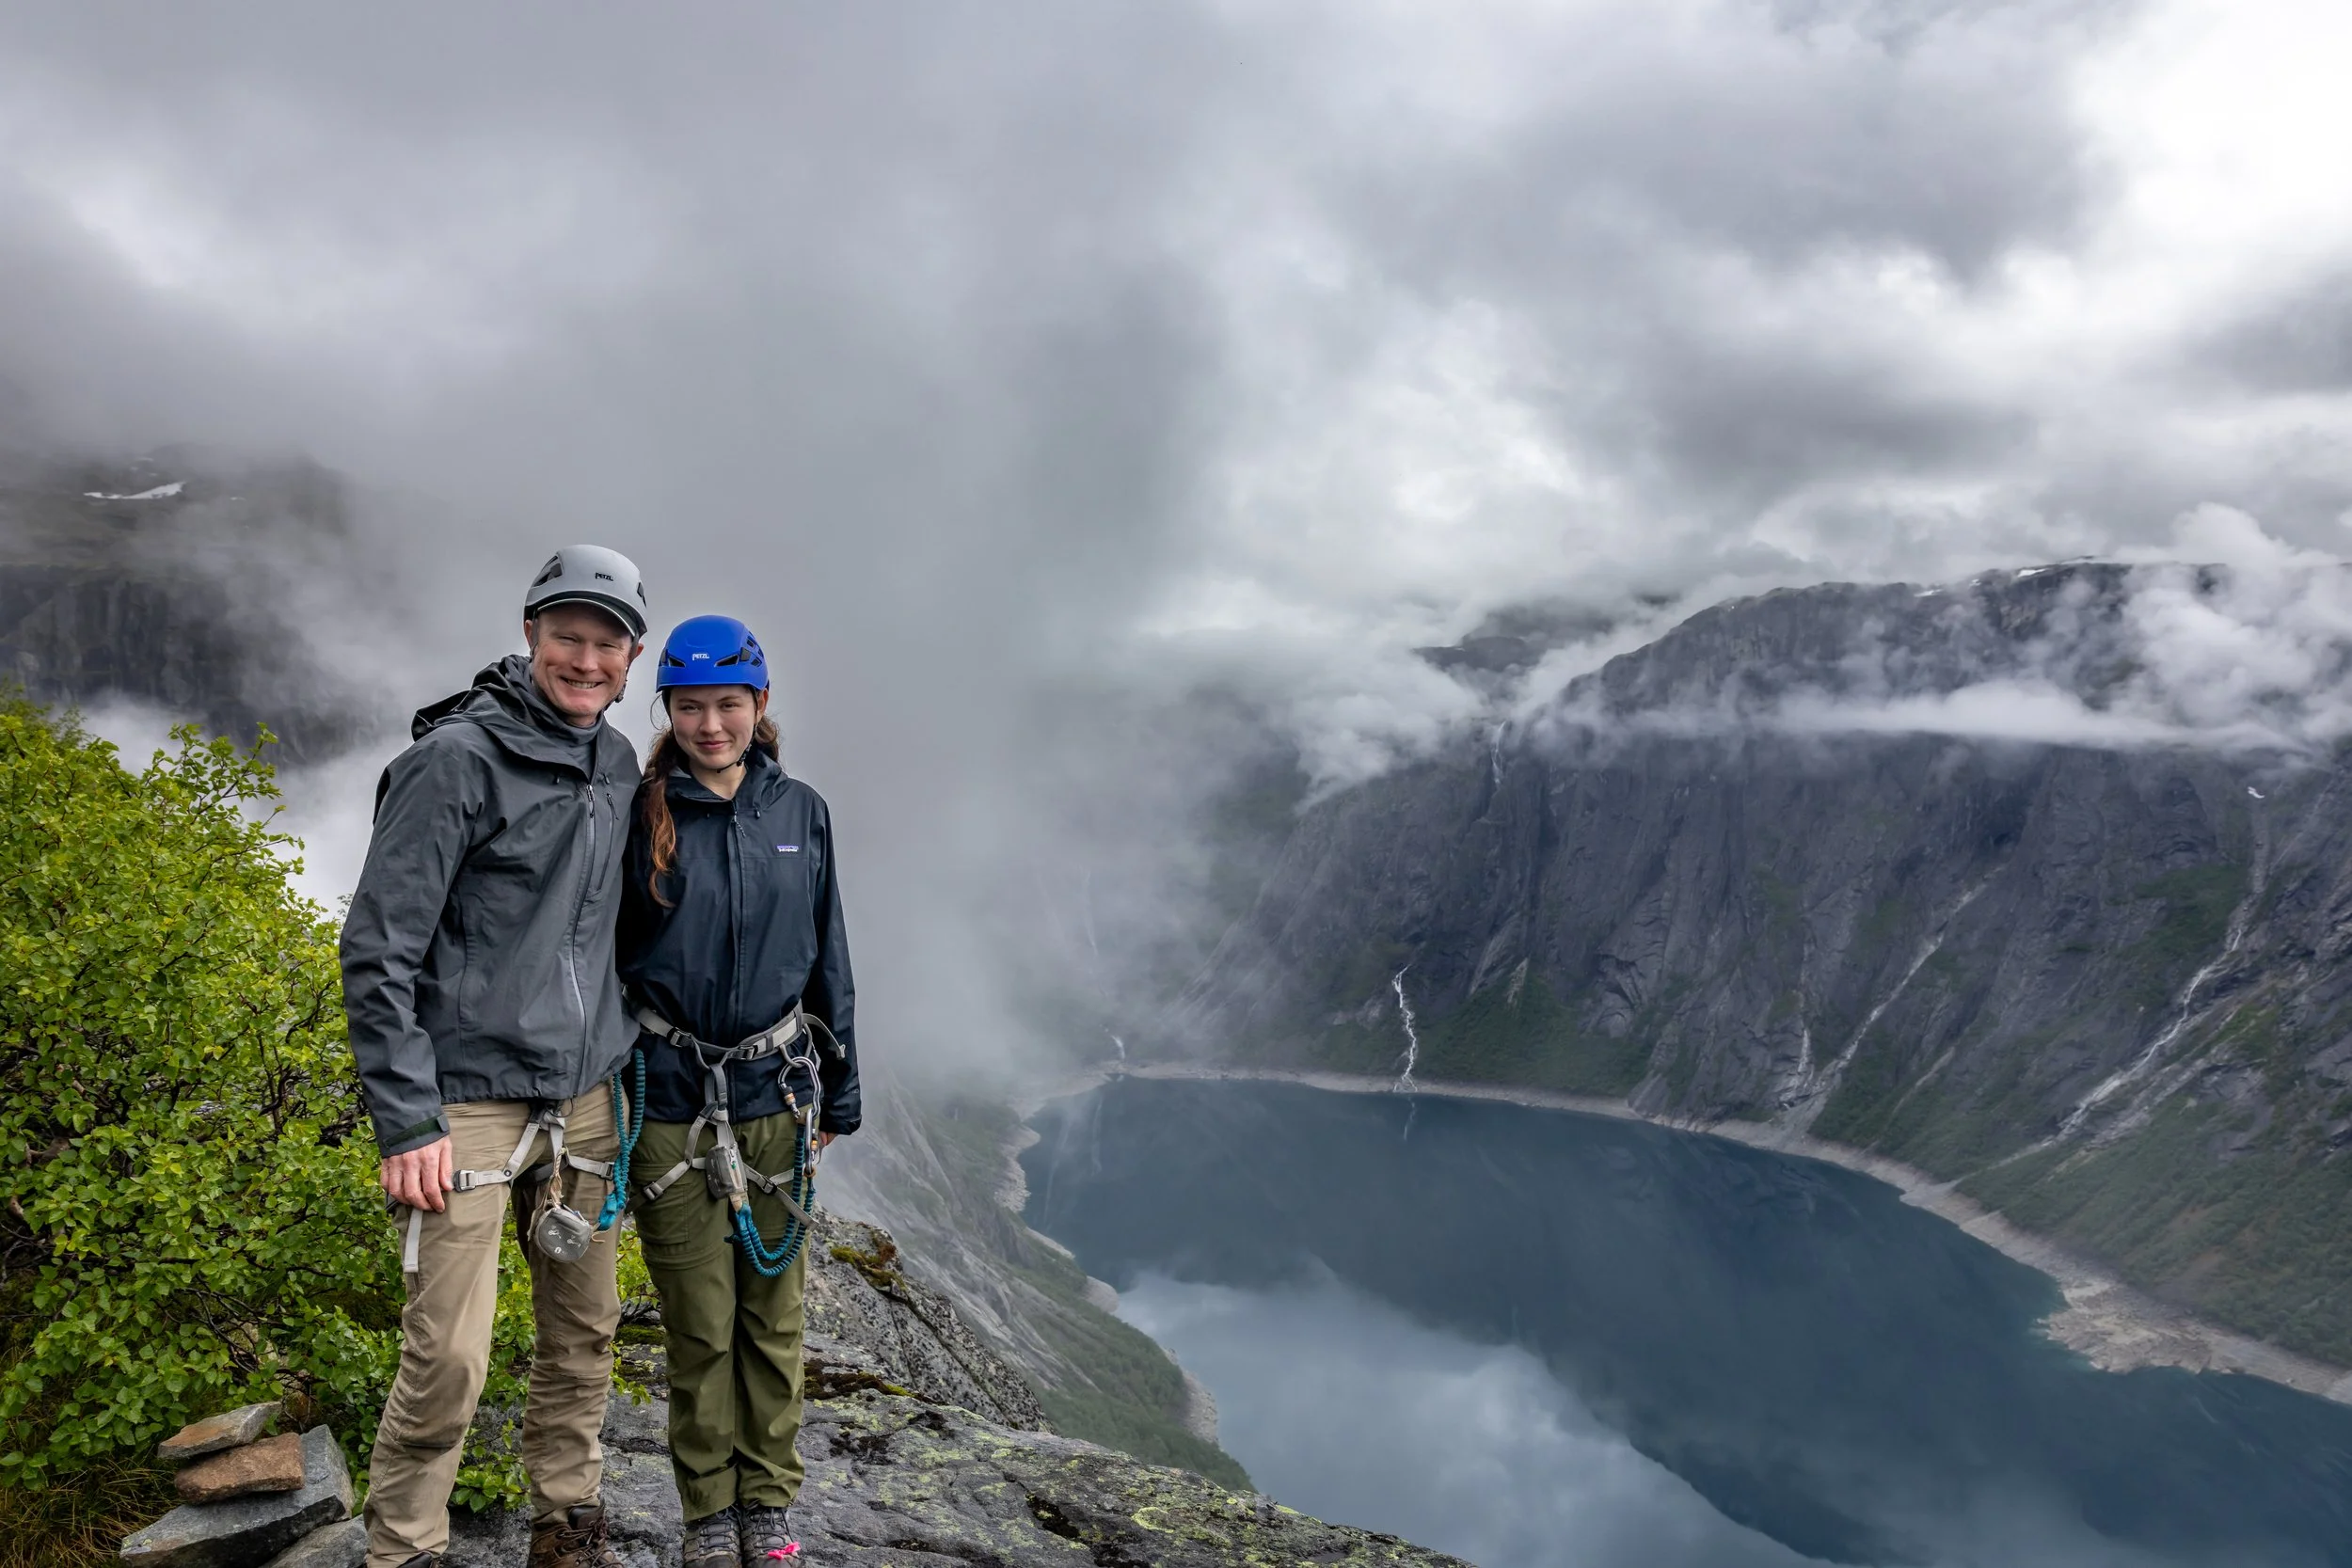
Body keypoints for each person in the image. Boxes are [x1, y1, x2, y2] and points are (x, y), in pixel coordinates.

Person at [341, 546, 650, 1568]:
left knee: (585, 1330)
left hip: (585, 1097)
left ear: (632, 656)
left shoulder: (614, 762)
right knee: (449, 1355)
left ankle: (566, 1522)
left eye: (608, 641)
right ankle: (407, 1547)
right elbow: (379, 947)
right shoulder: (457, 762)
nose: (586, 657)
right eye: (569, 633)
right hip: (466, 1100)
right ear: (530, 633)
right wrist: (406, 1118)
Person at [613, 614, 861, 1568]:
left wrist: (842, 1092)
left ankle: (768, 1506)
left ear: (760, 706)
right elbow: (607, 963)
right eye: (691, 705)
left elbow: (827, 954)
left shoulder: (800, 812)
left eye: (728, 703)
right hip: (670, 1101)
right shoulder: (640, 817)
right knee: (699, 1322)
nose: (711, 723)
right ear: (667, 710)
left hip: (778, 1097)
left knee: (775, 1316)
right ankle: (708, 1515)